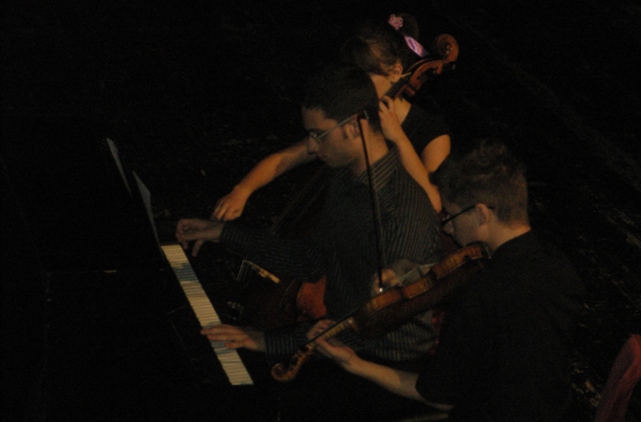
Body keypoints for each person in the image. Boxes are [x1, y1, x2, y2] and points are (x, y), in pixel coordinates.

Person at [175, 63, 441, 375]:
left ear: (354, 126)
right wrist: (223, 233)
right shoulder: (344, 178)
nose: (312, 147)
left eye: (318, 135)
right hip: (341, 342)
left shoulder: (403, 212)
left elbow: (376, 325)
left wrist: (269, 340)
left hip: (385, 364)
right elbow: (310, 260)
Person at [313, 139, 587, 422]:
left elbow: (438, 396)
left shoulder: (480, 294)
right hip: (555, 420)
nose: (447, 227)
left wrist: (355, 364)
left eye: (451, 215)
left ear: (481, 214)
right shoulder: (560, 266)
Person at [212, 13, 451, 220]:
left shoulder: (430, 130)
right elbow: (288, 156)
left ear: (395, 71)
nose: (356, 86)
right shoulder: (352, 114)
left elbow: (433, 203)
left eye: (365, 76)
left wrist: (398, 138)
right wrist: (242, 190)